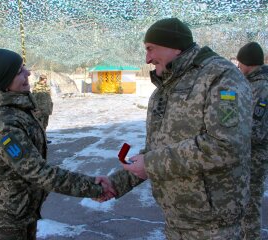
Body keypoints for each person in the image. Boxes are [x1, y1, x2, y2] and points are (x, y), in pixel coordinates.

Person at [97, 18, 253, 239]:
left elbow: (225, 145)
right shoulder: (168, 84)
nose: (147, 58)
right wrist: (117, 183)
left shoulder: (220, 77)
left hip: (213, 226)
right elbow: (161, 148)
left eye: (150, 49)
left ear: (173, 46)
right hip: (176, 221)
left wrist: (150, 164)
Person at [0, 48, 114, 240]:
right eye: (19, 71)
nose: (28, 73)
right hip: (7, 218)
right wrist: (93, 187)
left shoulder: (17, 110)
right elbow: (38, 172)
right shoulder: (3, 123)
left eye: (24, 67)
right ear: (4, 82)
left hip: (23, 209)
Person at [237, 41, 268, 239]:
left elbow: (256, 130)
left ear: (249, 64)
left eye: (240, 64)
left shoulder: (262, 88)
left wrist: (231, 142)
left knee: (250, 206)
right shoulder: (252, 84)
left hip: (255, 156)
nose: (238, 67)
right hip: (248, 154)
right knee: (243, 203)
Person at [32, 74, 53, 144]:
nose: (45, 80)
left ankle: (44, 139)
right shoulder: (36, 88)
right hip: (40, 110)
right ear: (40, 79)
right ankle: (39, 140)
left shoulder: (47, 87)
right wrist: (36, 109)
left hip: (46, 109)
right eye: (44, 79)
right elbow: (34, 99)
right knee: (40, 125)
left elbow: (49, 97)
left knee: (45, 125)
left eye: (46, 79)